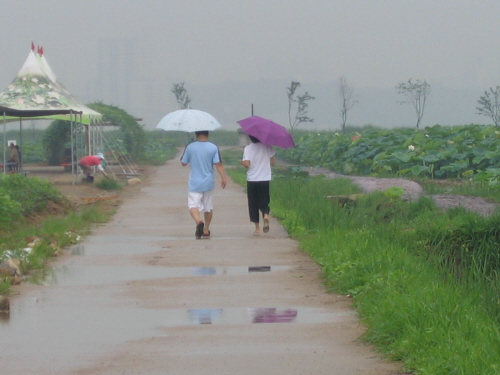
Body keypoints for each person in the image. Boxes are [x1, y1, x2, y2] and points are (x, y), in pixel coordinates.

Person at [181, 131, 227, 239]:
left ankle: (198, 221)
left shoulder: (190, 147)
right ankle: (206, 229)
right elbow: (218, 164)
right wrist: (223, 178)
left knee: (193, 205)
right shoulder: (213, 147)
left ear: (196, 134)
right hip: (208, 182)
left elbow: (183, 163)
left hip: (194, 182)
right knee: (208, 207)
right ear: (208, 134)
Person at [239, 135, 275, 236]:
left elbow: (247, 164)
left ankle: (257, 229)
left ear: (250, 137)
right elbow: (272, 162)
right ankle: (266, 215)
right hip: (265, 178)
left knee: (253, 203)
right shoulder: (268, 146)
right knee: (264, 201)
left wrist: (241, 163)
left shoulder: (248, 148)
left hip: (252, 180)